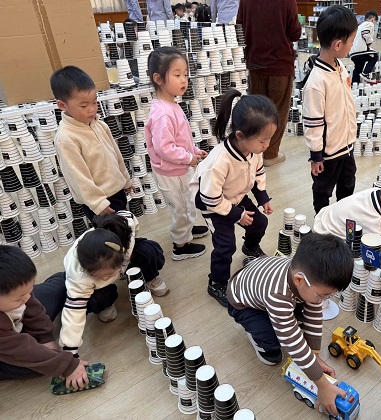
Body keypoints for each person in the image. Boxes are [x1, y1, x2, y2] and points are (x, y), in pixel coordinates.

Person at [228, 232, 353, 417]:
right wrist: (322, 385)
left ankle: (276, 320)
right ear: (299, 280)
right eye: (323, 295)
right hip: (242, 304)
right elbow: (292, 342)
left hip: (260, 281)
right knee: (273, 354)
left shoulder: (305, 276)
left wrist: (314, 355)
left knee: (303, 316)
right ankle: (257, 337)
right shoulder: (277, 295)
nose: (324, 300)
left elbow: (314, 314)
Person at [190, 90, 277, 307]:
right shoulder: (219, 161)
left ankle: (250, 247)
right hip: (212, 203)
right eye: (263, 140)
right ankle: (216, 283)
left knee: (260, 223)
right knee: (225, 245)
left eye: (269, 139)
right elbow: (210, 199)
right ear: (240, 135)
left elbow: (257, 174)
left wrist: (263, 197)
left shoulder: (254, 150)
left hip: (235, 195)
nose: (267, 145)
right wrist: (237, 215)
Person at [59, 211, 166, 354]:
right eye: (99, 276)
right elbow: (73, 315)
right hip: (91, 278)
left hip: (120, 258)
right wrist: (69, 353)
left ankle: (149, 277)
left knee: (148, 250)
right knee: (93, 299)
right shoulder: (78, 278)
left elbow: (131, 220)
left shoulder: (124, 227)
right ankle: (105, 304)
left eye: (108, 274)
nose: (105, 278)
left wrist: (128, 257)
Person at [146, 47, 208, 261]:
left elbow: (181, 139)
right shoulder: (163, 113)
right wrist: (189, 158)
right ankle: (180, 245)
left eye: (185, 74)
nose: (184, 80)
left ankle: (187, 228)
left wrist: (194, 151)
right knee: (181, 207)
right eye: (177, 75)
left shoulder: (171, 104)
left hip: (179, 167)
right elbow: (165, 148)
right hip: (170, 171)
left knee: (188, 200)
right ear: (158, 79)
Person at [0, 246, 89, 389]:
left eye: (30, 290)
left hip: (13, 320)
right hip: (5, 347)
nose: (28, 297)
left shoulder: (18, 292)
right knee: (39, 367)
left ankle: (56, 282)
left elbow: (34, 311)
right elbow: (21, 350)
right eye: (20, 297)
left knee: (58, 289)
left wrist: (45, 338)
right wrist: (67, 365)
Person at [51, 66, 133, 222]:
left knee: (126, 228)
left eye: (95, 102)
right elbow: (77, 176)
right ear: (62, 105)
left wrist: (125, 180)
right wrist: (97, 203)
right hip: (99, 201)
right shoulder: (66, 138)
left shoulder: (100, 125)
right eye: (84, 106)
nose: (92, 109)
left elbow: (117, 156)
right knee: (110, 235)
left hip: (117, 191)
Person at [302, 5, 358, 214]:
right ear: (338, 44)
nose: (352, 45)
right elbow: (313, 122)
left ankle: (343, 217)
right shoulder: (316, 83)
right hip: (327, 153)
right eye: (351, 41)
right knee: (323, 189)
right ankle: (322, 221)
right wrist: (315, 155)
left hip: (346, 145)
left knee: (348, 185)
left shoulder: (339, 66)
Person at [237, 0, 301, 167]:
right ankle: (270, 154)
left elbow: (239, 27)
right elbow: (295, 33)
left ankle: (255, 152)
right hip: (280, 63)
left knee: (257, 111)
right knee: (277, 110)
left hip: (254, 62)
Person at [349, 10, 379, 84]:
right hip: (360, 51)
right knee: (375, 56)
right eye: (375, 22)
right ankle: (366, 73)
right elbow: (365, 33)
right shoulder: (369, 24)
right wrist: (368, 43)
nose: (375, 24)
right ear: (373, 19)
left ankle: (354, 84)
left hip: (353, 53)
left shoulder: (359, 26)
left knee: (358, 68)